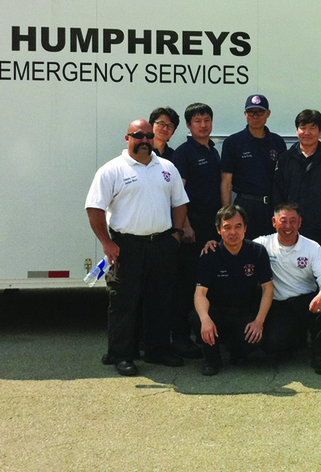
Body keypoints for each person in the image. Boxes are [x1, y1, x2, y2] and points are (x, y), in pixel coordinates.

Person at [85, 119, 189, 376]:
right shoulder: (111, 170)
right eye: (138, 135)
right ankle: (121, 354)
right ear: (127, 138)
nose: (144, 140)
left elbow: (180, 202)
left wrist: (176, 233)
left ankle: (157, 350)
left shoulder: (167, 167)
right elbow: (94, 208)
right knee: (123, 302)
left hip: (162, 245)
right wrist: (106, 243)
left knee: (160, 301)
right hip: (126, 246)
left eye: (148, 136)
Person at [256, 203, 321, 375]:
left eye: (293, 221)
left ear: (300, 222)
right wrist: (213, 244)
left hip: (306, 303)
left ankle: (320, 356)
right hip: (279, 307)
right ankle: (296, 339)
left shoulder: (312, 247)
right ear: (274, 221)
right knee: (274, 348)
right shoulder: (262, 244)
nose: (288, 227)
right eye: (283, 221)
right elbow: (235, 245)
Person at [194, 205, 274, 376]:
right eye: (227, 227)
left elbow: (268, 289)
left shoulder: (257, 251)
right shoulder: (210, 254)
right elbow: (200, 293)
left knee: (257, 339)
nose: (233, 232)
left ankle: (237, 351)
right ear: (218, 230)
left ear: (245, 228)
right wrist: (205, 318)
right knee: (196, 319)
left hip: (244, 313)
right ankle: (211, 360)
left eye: (238, 226)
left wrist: (259, 322)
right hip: (218, 313)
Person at [168, 103, 220, 359]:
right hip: (192, 228)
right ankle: (180, 339)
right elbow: (178, 195)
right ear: (189, 126)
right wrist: (185, 225)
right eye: (197, 121)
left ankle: (203, 333)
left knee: (206, 283)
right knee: (186, 285)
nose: (203, 125)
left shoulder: (212, 151)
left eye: (207, 120)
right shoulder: (184, 154)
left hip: (211, 226)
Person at [271, 109, 321, 261]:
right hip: (290, 230)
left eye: (312, 128)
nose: (307, 132)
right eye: (303, 128)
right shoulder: (285, 159)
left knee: (320, 274)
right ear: (297, 130)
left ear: (320, 131)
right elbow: (277, 195)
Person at [220, 94, 287, 239]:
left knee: (271, 252)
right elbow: (226, 181)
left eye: (259, 112)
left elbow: (283, 180)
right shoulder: (233, 142)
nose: (255, 116)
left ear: (268, 114)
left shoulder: (277, 142)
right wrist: (226, 212)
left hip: (272, 207)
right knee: (243, 249)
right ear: (245, 114)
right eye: (251, 112)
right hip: (245, 206)